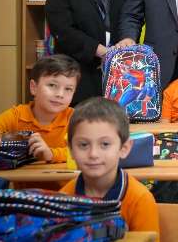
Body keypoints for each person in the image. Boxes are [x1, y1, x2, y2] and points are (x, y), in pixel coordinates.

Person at [61, 97, 160, 238]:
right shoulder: (64, 198)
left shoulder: (139, 200)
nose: (93, 154)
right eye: (83, 145)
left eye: (105, 144)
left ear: (124, 148)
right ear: (70, 149)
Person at [0, 55, 79, 163]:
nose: (60, 94)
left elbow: (82, 151)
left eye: (68, 89)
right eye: (52, 85)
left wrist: (51, 154)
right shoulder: (17, 115)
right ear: (34, 87)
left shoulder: (75, 118)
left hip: (62, 174)